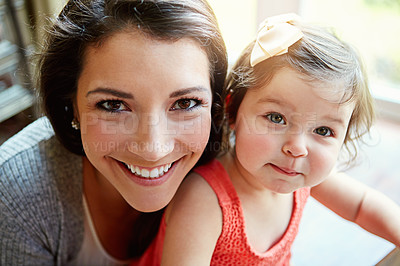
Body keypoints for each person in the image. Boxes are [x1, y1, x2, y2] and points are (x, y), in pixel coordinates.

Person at [137, 13, 400, 265]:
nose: (297, 148)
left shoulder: (300, 176)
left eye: (322, 131)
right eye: (276, 118)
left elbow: (362, 206)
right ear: (232, 111)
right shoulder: (205, 200)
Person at [0, 0, 227, 264]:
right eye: (114, 105)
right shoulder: (16, 195)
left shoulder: (246, 163)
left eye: (185, 103)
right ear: (70, 105)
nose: (153, 149)